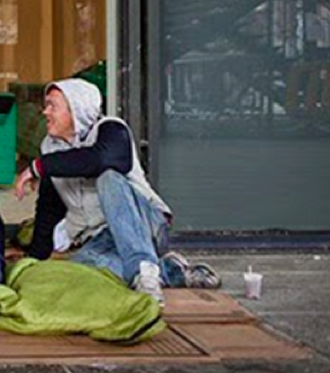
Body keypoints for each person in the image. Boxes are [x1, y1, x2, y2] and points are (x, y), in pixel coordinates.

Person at [14, 78, 220, 306]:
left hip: (145, 225)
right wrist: (35, 260)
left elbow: (103, 158)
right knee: (76, 270)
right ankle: (167, 272)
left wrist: (38, 167)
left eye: (53, 105)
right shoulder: (50, 148)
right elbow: (49, 209)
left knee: (108, 176)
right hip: (103, 238)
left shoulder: (111, 129)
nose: (45, 112)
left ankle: (143, 268)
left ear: (77, 108)